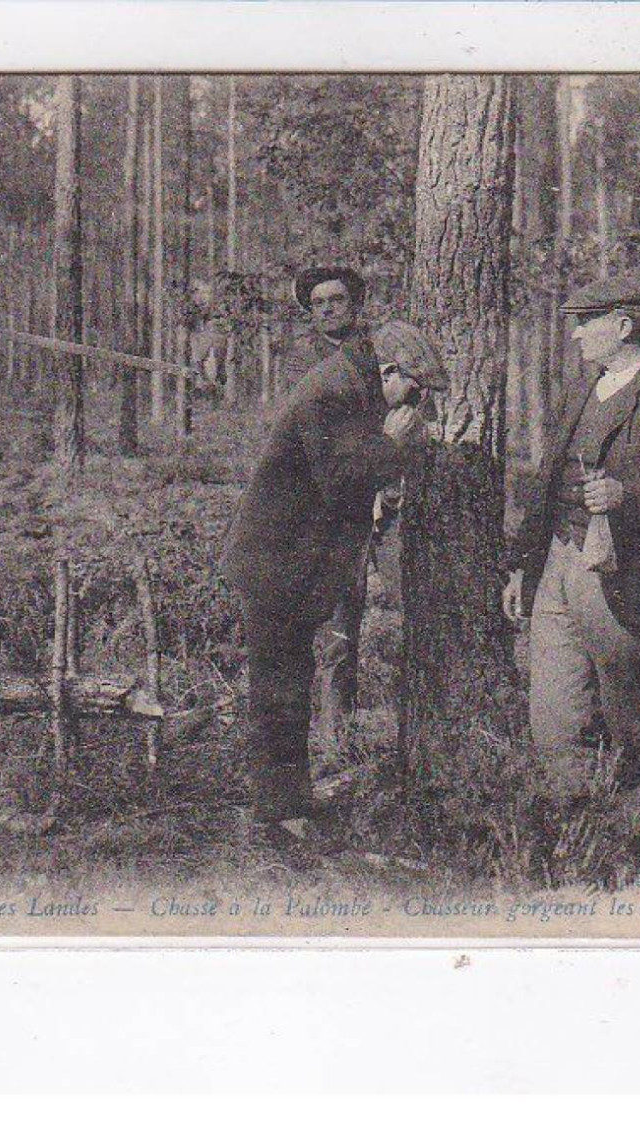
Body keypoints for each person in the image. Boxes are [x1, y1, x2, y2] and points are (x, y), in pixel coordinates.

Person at [221, 309, 443, 841]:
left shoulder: (353, 383)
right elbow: (340, 481)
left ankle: (284, 802)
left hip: (292, 563)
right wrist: (393, 445)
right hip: (275, 565)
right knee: (279, 687)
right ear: (390, 371)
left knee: (286, 682)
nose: (416, 404)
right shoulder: (334, 391)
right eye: (415, 392)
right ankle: (277, 812)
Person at [502, 277, 640, 801]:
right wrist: (521, 565)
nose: (576, 335)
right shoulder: (578, 392)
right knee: (554, 713)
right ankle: (573, 823)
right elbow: (547, 481)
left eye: (586, 322)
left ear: (624, 326)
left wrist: (629, 495)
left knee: (630, 713)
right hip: (557, 562)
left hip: (624, 575)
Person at [287, 268, 375, 753]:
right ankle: (331, 738)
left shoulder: (376, 354)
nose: (326, 309)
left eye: (336, 299)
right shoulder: (302, 364)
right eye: (317, 302)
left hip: (383, 500)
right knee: (334, 628)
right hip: (328, 510)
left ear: (355, 304)